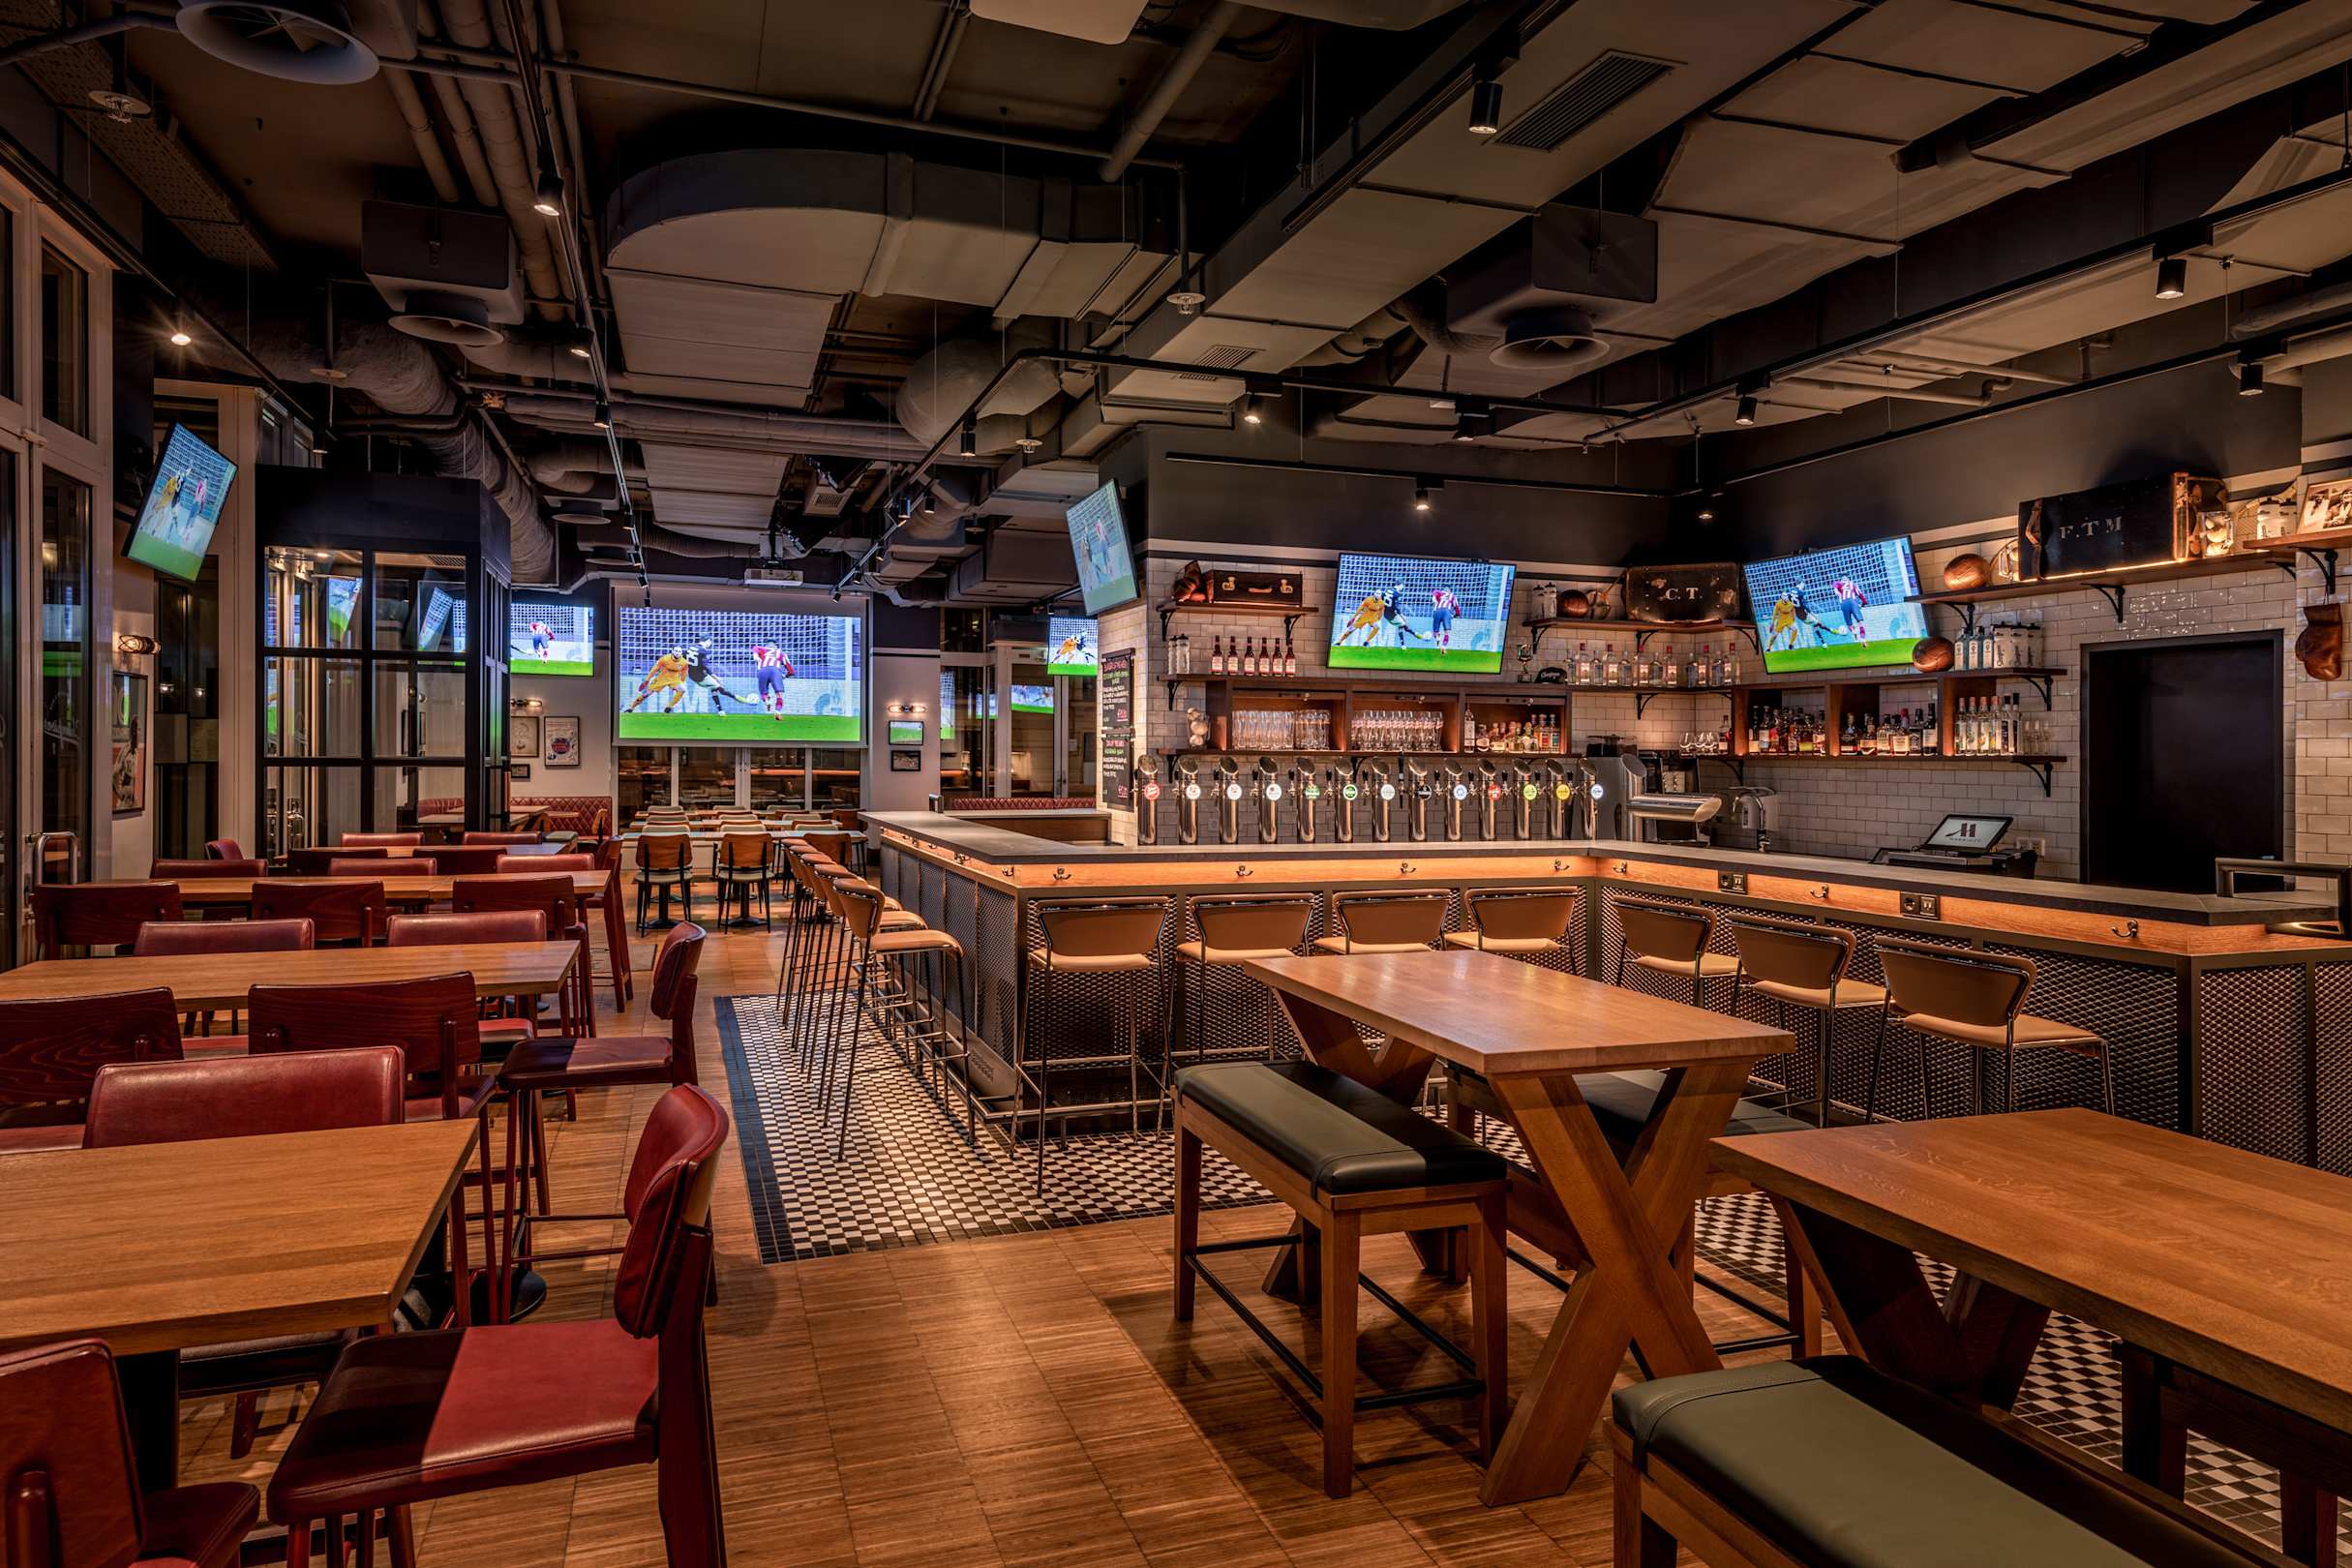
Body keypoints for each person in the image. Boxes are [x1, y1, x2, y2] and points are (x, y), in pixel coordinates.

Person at [681, 633, 752, 712]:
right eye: (711, 642)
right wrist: (716, 677)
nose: (711, 644)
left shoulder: (691, 647)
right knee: (721, 689)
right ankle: (741, 699)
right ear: (708, 641)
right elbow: (704, 667)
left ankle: (720, 710)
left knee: (714, 688)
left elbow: (683, 657)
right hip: (701, 677)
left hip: (691, 675)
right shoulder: (704, 651)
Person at [625, 647, 691, 711]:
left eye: (679, 651)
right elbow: (654, 669)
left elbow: (684, 672)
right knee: (647, 694)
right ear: (672, 651)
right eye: (676, 651)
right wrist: (647, 680)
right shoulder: (665, 659)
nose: (677, 653)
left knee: (682, 689)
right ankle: (631, 707)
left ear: (681, 653)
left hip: (674, 679)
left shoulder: (684, 662)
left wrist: (682, 682)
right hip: (661, 678)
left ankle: (669, 707)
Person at [749, 642, 794, 715]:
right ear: (776, 646)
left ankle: (767, 701)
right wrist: (785, 676)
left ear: (766, 646)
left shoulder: (761, 649)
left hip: (762, 671)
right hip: (775, 671)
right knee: (779, 695)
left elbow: (754, 648)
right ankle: (777, 711)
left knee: (764, 693)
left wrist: (756, 656)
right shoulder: (781, 653)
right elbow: (791, 671)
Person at [1831, 577, 1871, 642]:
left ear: (1841, 580)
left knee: (1849, 624)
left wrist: (1838, 593)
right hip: (1853, 603)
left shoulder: (1837, 583)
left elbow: (1835, 590)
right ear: (1848, 580)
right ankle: (1863, 638)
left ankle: (1853, 631)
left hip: (1843, 604)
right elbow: (1860, 594)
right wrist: (1863, 603)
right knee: (1860, 623)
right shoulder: (1853, 584)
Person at [1429, 585, 1462, 649]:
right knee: (1447, 632)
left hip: (1437, 611)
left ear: (1443, 589)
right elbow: (1456, 607)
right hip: (1446, 612)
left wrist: (1434, 600)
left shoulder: (1438, 592)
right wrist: (1455, 615)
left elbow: (1434, 597)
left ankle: (1437, 638)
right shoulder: (1452, 595)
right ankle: (1444, 647)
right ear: (1450, 590)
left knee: (1435, 631)